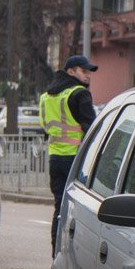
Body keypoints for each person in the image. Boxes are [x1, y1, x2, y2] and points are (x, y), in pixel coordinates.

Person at [39, 54, 97, 254]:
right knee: (83, 210)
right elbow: (92, 129)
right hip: (77, 159)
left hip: (55, 158)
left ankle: (57, 252)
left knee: (59, 208)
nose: (88, 75)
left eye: (89, 71)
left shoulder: (47, 96)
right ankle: (75, 254)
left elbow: (45, 126)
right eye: (84, 71)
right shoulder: (80, 94)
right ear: (71, 72)